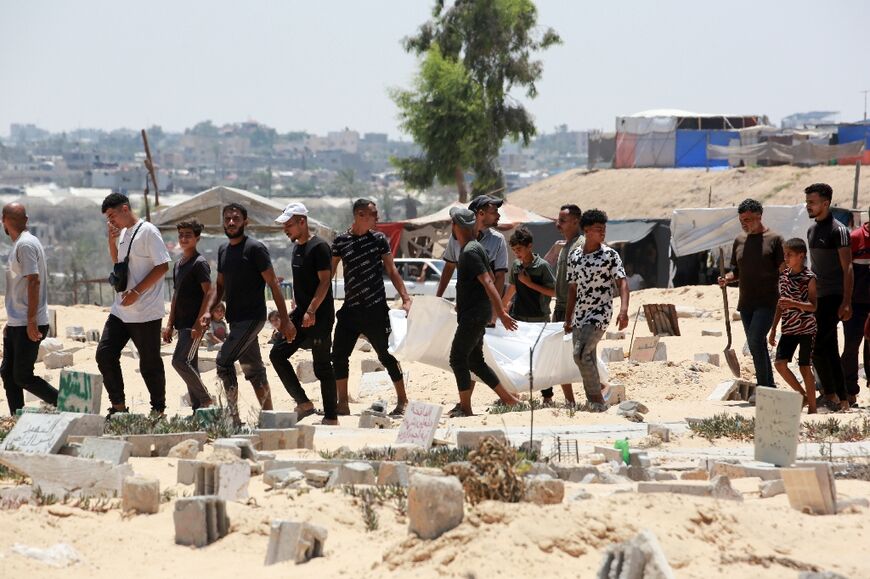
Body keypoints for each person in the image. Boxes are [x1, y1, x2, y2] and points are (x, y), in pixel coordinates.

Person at [208, 203, 291, 423]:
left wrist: (286, 320)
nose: (231, 222)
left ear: (246, 221)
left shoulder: (255, 248)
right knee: (254, 371)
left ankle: (233, 418)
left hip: (253, 318)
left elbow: (273, 284)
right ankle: (270, 418)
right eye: (227, 219)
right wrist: (207, 312)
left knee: (223, 362)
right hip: (235, 320)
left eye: (236, 218)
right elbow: (220, 286)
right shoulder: (223, 250)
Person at [331, 199, 412, 417]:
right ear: (359, 215)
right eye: (373, 214)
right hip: (350, 309)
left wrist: (405, 297)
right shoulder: (340, 241)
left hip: (376, 308)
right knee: (338, 355)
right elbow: (327, 275)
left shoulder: (378, 239)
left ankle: (403, 401)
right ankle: (342, 403)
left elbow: (392, 270)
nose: (377, 218)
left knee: (387, 356)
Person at [96, 193, 170, 417]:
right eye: (107, 218)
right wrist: (111, 240)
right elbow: (118, 264)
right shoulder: (124, 233)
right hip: (121, 310)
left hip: (145, 311)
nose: (111, 221)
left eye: (112, 216)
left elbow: (163, 265)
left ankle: (158, 409)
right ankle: (118, 407)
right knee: (105, 354)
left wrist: (137, 291)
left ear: (125, 209)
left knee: (149, 364)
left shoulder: (148, 231)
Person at [447, 207, 522, 417]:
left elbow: (489, 281)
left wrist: (501, 312)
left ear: (457, 226)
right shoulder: (475, 247)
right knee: (475, 361)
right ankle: (509, 400)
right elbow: (489, 276)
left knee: (457, 358)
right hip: (476, 312)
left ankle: (466, 408)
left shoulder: (470, 251)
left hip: (474, 315)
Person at [269, 202, 339, 425]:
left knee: (321, 366)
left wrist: (311, 310)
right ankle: (304, 403)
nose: (285, 229)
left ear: (302, 221)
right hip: (302, 314)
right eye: (284, 225)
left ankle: (331, 417)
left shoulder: (319, 247)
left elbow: (325, 281)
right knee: (277, 354)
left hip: (319, 316)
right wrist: (294, 311)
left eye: (289, 224)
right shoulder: (297, 248)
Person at [564, 209, 629, 411]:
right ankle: (593, 401)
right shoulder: (575, 256)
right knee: (587, 357)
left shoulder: (610, 255)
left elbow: (623, 283)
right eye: (598, 229)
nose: (602, 233)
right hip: (580, 315)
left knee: (580, 354)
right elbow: (573, 289)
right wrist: (568, 319)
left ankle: (598, 398)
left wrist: (624, 310)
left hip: (600, 312)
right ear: (586, 231)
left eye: (604, 229)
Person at [718, 199, 784, 390]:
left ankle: (763, 385)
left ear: (759, 216)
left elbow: (784, 271)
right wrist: (727, 279)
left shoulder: (775, 239)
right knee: (758, 344)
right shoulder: (739, 240)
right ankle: (768, 385)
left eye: (747, 219)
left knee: (754, 341)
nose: (744, 223)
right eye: (741, 220)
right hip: (746, 303)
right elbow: (736, 272)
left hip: (768, 302)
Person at [1, 203, 58, 415]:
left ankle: (65, 403)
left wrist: (31, 321)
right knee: (8, 373)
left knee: (22, 375)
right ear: (26, 219)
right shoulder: (24, 243)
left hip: (29, 322)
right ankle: (18, 417)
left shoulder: (25, 245)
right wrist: (13, 322)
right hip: (19, 321)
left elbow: (33, 281)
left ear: (4, 221)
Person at [805, 183, 853, 412]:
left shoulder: (839, 230)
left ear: (826, 203)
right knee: (829, 348)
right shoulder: (811, 230)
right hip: (818, 297)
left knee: (816, 346)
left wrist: (846, 301)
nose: (808, 206)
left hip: (834, 295)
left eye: (812, 202)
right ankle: (842, 399)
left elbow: (848, 268)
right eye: (807, 202)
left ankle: (830, 394)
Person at [162, 219, 214, 412]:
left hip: (194, 325)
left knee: (179, 361)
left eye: (188, 235)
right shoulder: (178, 264)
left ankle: (206, 399)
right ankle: (198, 410)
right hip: (181, 324)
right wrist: (169, 324)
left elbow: (210, 293)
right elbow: (176, 295)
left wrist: (200, 323)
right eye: (181, 235)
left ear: (197, 238)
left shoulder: (199, 263)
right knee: (189, 365)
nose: (184, 238)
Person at [540, 204, 584, 407]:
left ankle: (599, 394)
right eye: (558, 220)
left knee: (581, 357)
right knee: (560, 357)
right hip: (561, 308)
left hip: (574, 310)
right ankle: (570, 401)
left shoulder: (581, 246)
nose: (558, 224)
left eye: (563, 220)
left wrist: (572, 313)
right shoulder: (566, 246)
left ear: (576, 221)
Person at [769, 238, 817, 413]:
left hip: (806, 328)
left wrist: (794, 303)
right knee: (780, 364)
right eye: (785, 254)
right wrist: (773, 329)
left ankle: (813, 408)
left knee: (805, 366)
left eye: (789, 254)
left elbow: (813, 306)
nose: (786, 257)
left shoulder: (809, 278)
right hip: (788, 328)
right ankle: (801, 395)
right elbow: (780, 304)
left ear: (801, 255)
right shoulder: (784, 276)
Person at [436, 195, 509, 302]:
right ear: (481, 214)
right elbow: (449, 267)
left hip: (484, 304)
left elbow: (499, 277)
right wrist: (438, 298)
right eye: (494, 212)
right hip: (463, 302)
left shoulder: (498, 240)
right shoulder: (456, 237)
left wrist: (494, 310)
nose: (498, 215)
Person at [842, 207, 869, 406]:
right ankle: (850, 391)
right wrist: (846, 302)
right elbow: (844, 271)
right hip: (856, 304)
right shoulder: (855, 237)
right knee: (852, 346)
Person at [502, 227, 555, 324]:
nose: (516, 252)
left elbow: (554, 293)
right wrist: (502, 305)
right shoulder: (516, 265)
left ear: (529, 246)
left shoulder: (543, 266)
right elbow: (513, 287)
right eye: (513, 249)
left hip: (539, 319)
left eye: (519, 249)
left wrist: (529, 283)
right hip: (517, 317)